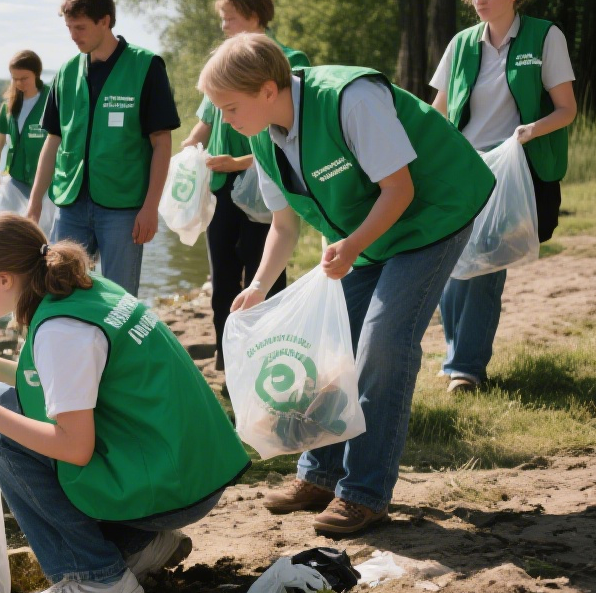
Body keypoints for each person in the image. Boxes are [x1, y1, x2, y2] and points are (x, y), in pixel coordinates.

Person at [203, 34, 494, 535]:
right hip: (369, 232)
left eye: (229, 108)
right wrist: (260, 287)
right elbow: (283, 226)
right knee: (329, 342)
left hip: (434, 213)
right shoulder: (261, 135)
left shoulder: (350, 98)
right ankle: (319, 474)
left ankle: (364, 494)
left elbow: (399, 189)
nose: (224, 121)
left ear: (269, 89)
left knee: (382, 344)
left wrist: (354, 245)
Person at [0, 213, 248, 593]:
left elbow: (75, 447)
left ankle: (96, 577)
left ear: (5, 279)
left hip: (177, 488)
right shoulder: (80, 289)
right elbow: (74, 387)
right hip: (191, 463)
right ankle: (139, 544)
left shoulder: (60, 330)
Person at [430, 0, 577, 394]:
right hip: (462, 169)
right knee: (451, 265)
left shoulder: (545, 37)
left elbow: (566, 110)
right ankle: (458, 357)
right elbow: (437, 112)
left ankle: (466, 369)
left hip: (515, 167)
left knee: (486, 263)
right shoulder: (461, 44)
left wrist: (530, 131)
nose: (479, 0)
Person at [179, 0, 310, 370]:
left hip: (260, 184)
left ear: (254, 18)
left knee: (263, 273)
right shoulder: (222, 63)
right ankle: (227, 359)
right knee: (222, 279)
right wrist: (187, 148)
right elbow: (205, 121)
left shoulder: (287, 59)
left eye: (229, 19)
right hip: (221, 189)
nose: (223, 27)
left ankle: (269, 357)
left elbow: (290, 133)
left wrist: (238, 163)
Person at [26, 0, 178, 295]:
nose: (73, 36)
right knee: (57, 289)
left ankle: (119, 346)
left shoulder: (145, 66)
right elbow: (52, 141)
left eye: (80, 27)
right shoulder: (66, 72)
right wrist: (33, 205)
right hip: (70, 204)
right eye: (69, 28)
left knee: (119, 297)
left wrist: (151, 207)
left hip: (123, 207)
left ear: (105, 21)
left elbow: (162, 142)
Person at [0, 50, 52, 207]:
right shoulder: (9, 105)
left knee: (43, 231)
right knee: (11, 229)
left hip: (47, 183)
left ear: (37, 74)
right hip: (14, 181)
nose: (19, 83)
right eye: (15, 79)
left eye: (24, 78)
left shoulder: (52, 99)